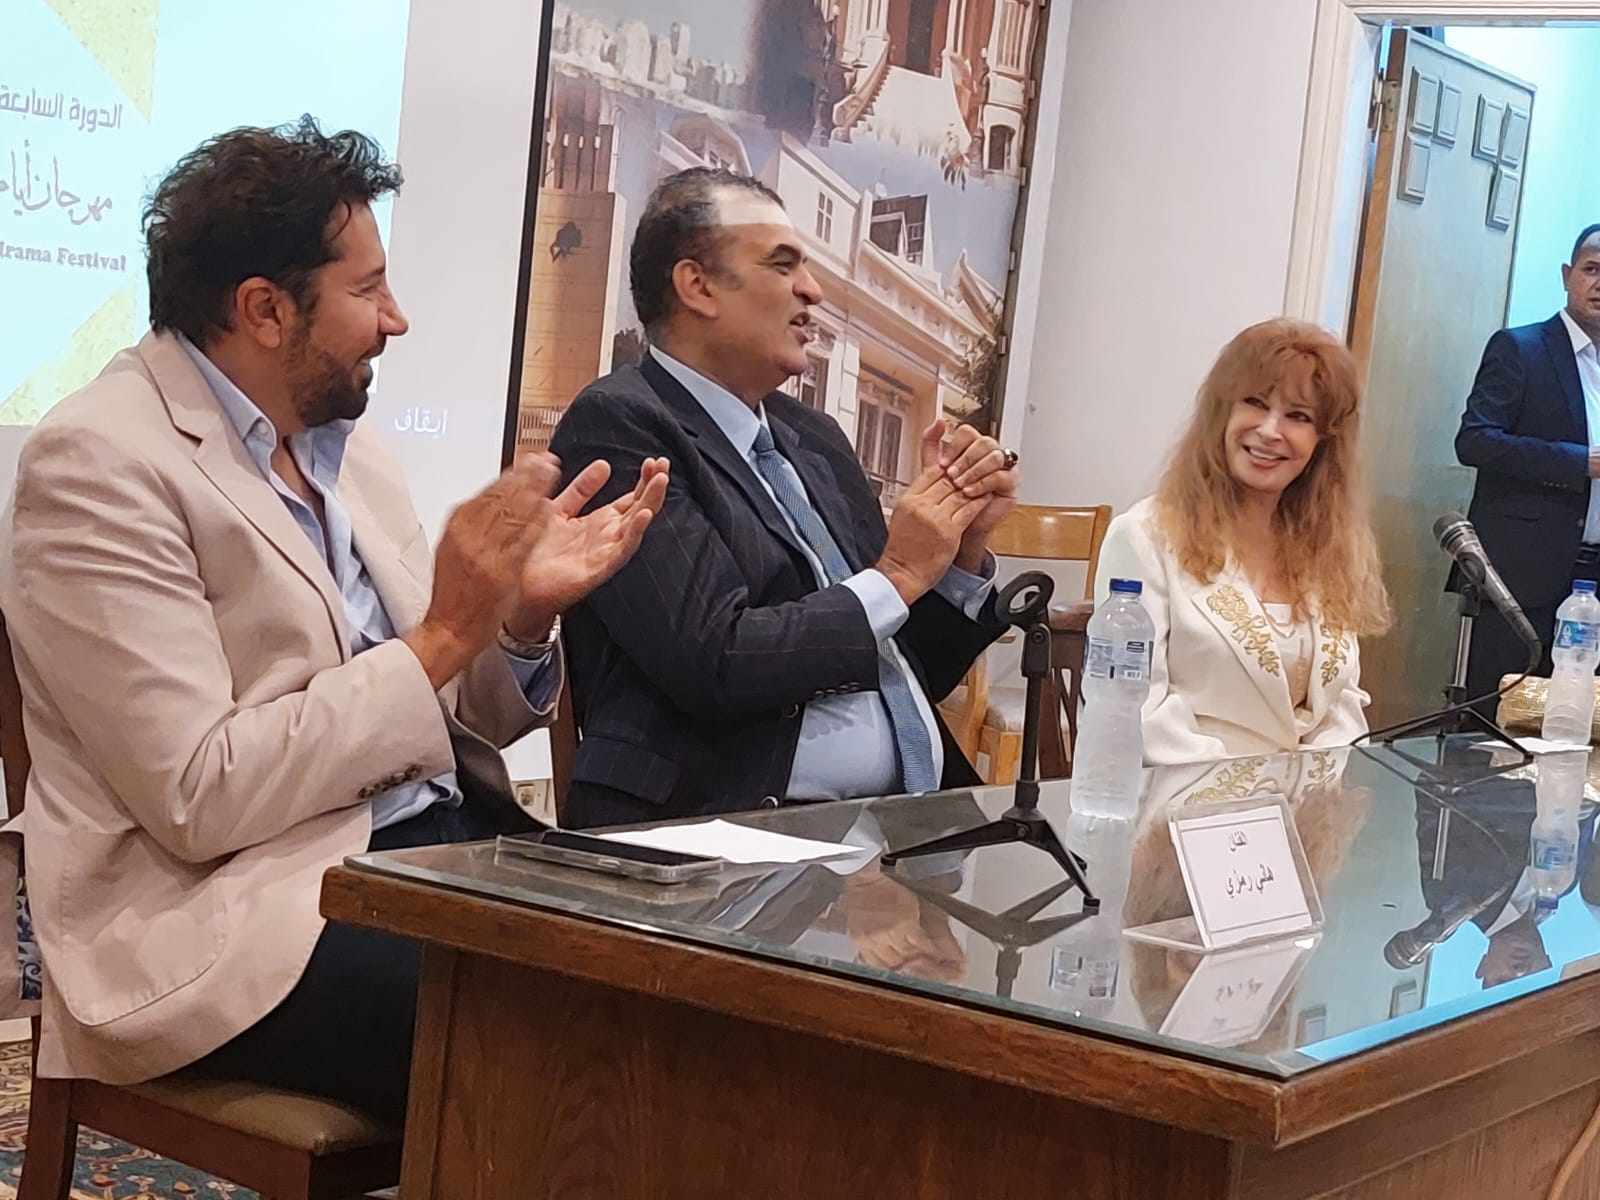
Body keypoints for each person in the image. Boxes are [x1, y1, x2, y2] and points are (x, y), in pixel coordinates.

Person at [0, 117, 666, 1124]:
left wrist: (518, 622)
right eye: (369, 290)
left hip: (428, 850)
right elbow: (197, 795)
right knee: (584, 1046)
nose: (397, 320)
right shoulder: (97, 464)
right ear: (265, 309)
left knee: (704, 965)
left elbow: (450, 719)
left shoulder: (347, 451)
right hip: (238, 912)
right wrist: (441, 637)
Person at [549, 167, 1015, 828]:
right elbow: (714, 660)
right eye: (782, 264)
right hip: (722, 826)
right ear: (698, 286)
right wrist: (900, 574)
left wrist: (960, 550)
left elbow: (909, 670)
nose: (812, 290)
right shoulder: (620, 425)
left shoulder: (814, 437)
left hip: (900, 826)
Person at [1095, 319, 1391, 765]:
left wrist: (1313, 787)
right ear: (1222, 412)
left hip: (1308, 801)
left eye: (1298, 416)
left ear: (1322, 442)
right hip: (1183, 795)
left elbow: (1343, 705)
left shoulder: (1331, 550)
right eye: (1255, 403)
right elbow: (1134, 711)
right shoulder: (1142, 537)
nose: (1270, 431)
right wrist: (1258, 794)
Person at [1456, 224, 1600, 702]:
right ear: (1567, 275)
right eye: (1592, 269)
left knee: (1580, 718)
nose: (1599, 284)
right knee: (1498, 715)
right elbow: (1474, 441)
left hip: (1595, 579)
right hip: (1523, 574)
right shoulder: (1521, 348)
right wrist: (1580, 462)